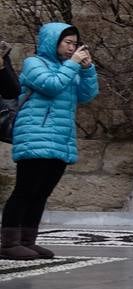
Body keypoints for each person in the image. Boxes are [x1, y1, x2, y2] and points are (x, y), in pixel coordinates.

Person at [1, 24, 98, 260]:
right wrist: (73, 64)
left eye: (75, 43)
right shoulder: (35, 63)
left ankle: (27, 241)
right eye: (67, 43)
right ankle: (8, 243)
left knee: (42, 192)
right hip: (35, 134)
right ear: (52, 42)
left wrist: (87, 70)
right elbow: (51, 86)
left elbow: (87, 95)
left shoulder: (68, 67)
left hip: (60, 138)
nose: (72, 47)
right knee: (26, 189)